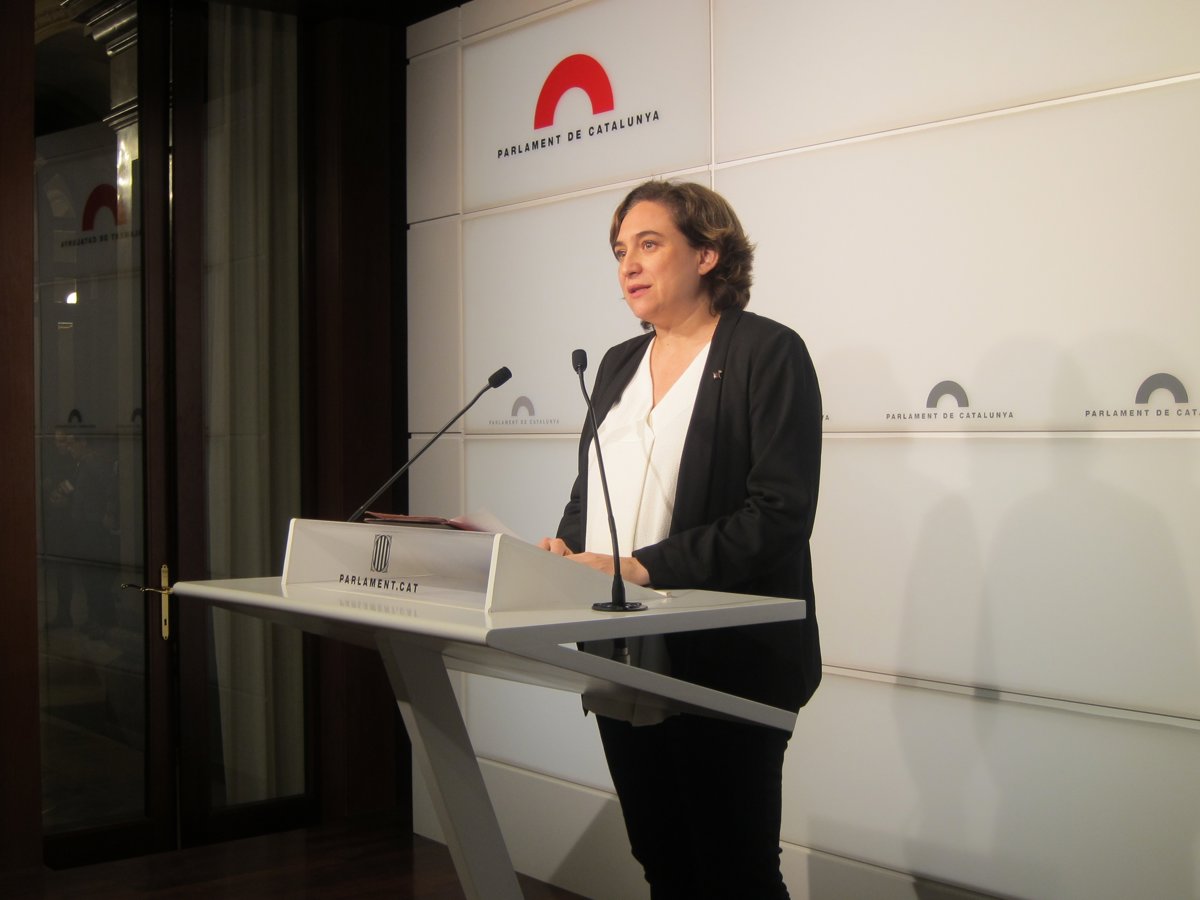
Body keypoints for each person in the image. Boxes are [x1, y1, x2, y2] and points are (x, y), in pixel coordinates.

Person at [539, 180, 822, 899]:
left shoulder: (767, 351)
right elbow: (589, 496)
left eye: (649, 244)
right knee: (663, 863)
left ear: (707, 253)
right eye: (619, 251)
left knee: (735, 876)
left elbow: (778, 514)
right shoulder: (616, 364)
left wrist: (639, 566)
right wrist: (567, 558)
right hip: (621, 654)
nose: (628, 265)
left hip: (724, 660)